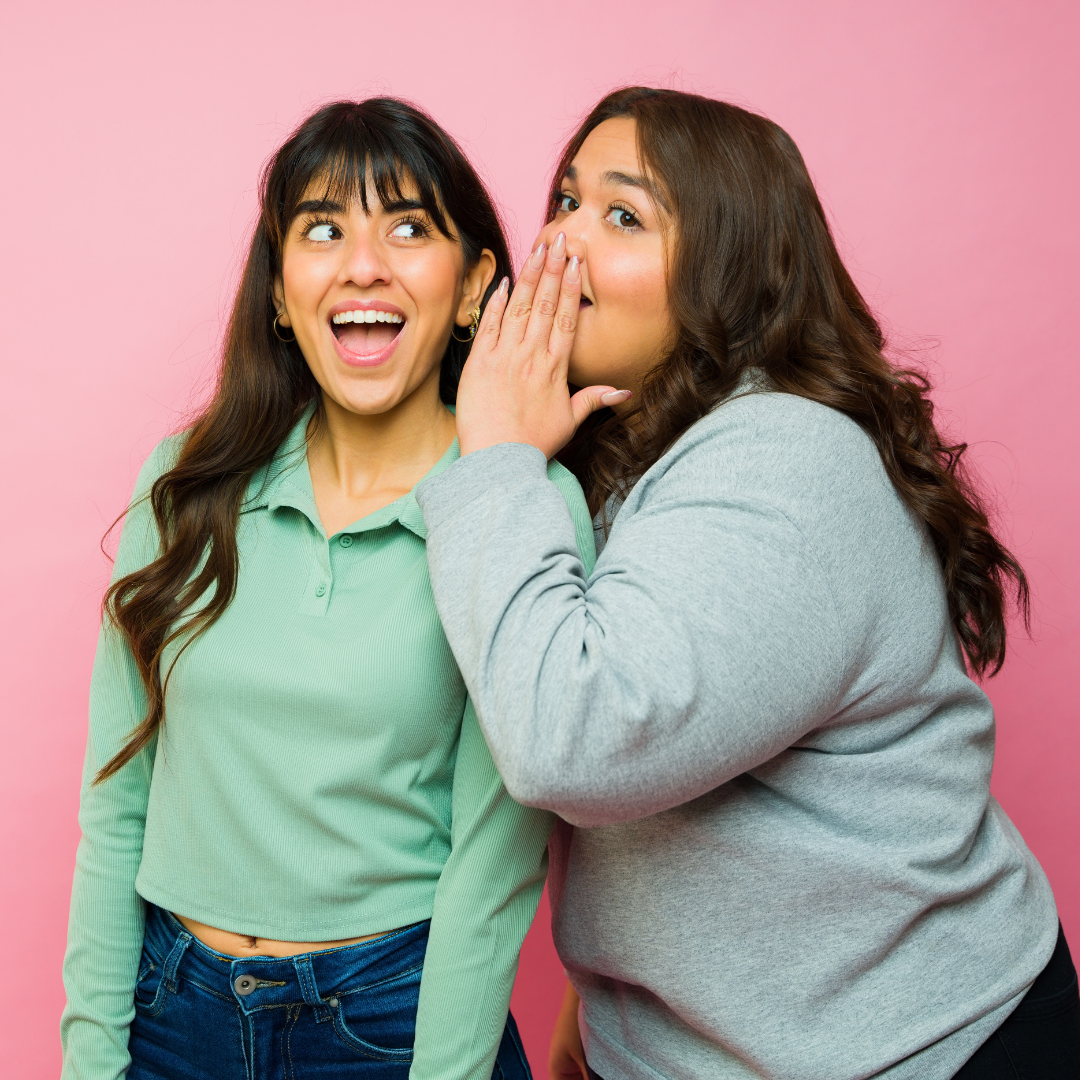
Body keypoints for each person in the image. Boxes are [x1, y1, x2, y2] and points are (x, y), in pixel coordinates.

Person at [411, 87, 1080, 1079]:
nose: (559, 247)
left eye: (623, 215)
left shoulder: (788, 459)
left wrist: (495, 460)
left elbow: (573, 742)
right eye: (563, 201)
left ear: (727, 271)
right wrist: (610, 1020)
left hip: (920, 1048)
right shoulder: (630, 459)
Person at [61, 98, 596, 1080]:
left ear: (476, 284)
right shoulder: (183, 484)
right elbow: (115, 806)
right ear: (279, 288)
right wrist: (91, 1060)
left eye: (407, 227)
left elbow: (493, 864)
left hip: (396, 1022)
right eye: (323, 229)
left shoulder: (522, 503)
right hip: (171, 1015)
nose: (364, 264)